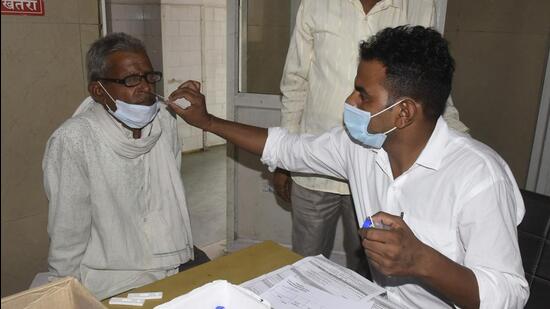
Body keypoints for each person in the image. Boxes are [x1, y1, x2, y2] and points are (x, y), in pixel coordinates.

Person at [167, 26, 528, 308]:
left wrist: (422, 260)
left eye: (363, 95)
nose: (350, 101)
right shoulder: (360, 147)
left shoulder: (479, 177)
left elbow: (508, 295)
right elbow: (287, 148)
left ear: (403, 112)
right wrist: (208, 122)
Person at [275, 0, 469, 274]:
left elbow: (427, 83)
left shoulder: (420, 6)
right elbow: (295, 82)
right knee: (305, 266)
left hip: (378, 170)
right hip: (315, 165)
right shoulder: (316, 4)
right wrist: (285, 161)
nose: (351, 101)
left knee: (371, 269)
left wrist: (462, 146)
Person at [43, 32, 209, 300]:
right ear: (99, 90)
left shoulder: (164, 121)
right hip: (110, 273)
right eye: (131, 80)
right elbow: (68, 229)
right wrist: (65, 291)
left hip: (167, 257)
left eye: (149, 76)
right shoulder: (75, 139)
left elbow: (168, 191)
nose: (145, 87)